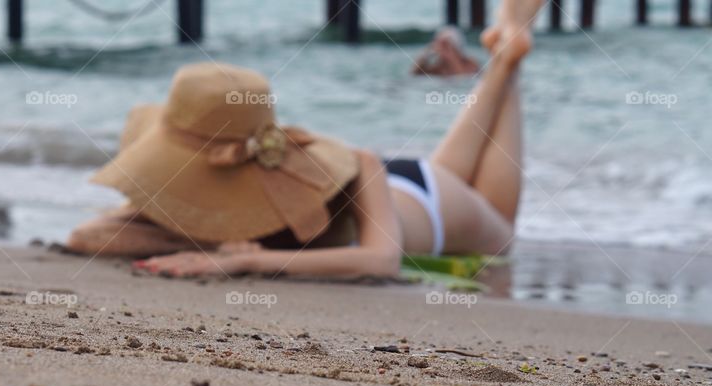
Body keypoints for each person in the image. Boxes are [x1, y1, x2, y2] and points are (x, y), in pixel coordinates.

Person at [67, 0, 546, 280]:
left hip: (433, 209)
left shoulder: (356, 164)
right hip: (415, 191)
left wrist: (248, 262)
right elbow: (88, 237)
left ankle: (508, 59)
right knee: (463, 163)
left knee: (502, 236)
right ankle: (504, 52)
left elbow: (380, 261)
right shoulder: (208, 213)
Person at [412, 26, 480, 77]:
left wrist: (450, 57)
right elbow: (414, 75)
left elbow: (461, 79)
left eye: (446, 45)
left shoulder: (470, 64)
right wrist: (426, 54)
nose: (443, 48)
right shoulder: (438, 66)